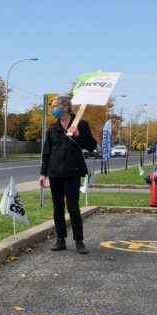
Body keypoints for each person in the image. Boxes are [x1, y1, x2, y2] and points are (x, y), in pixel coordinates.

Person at [39, 95, 97, 254]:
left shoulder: (81, 124)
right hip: (55, 173)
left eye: (55, 106)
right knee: (58, 207)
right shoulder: (53, 128)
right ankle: (60, 239)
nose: (53, 109)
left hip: (72, 172)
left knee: (73, 207)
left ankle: (79, 241)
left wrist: (78, 134)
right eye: (52, 106)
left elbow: (92, 146)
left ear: (65, 107)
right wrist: (43, 173)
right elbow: (47, 152)